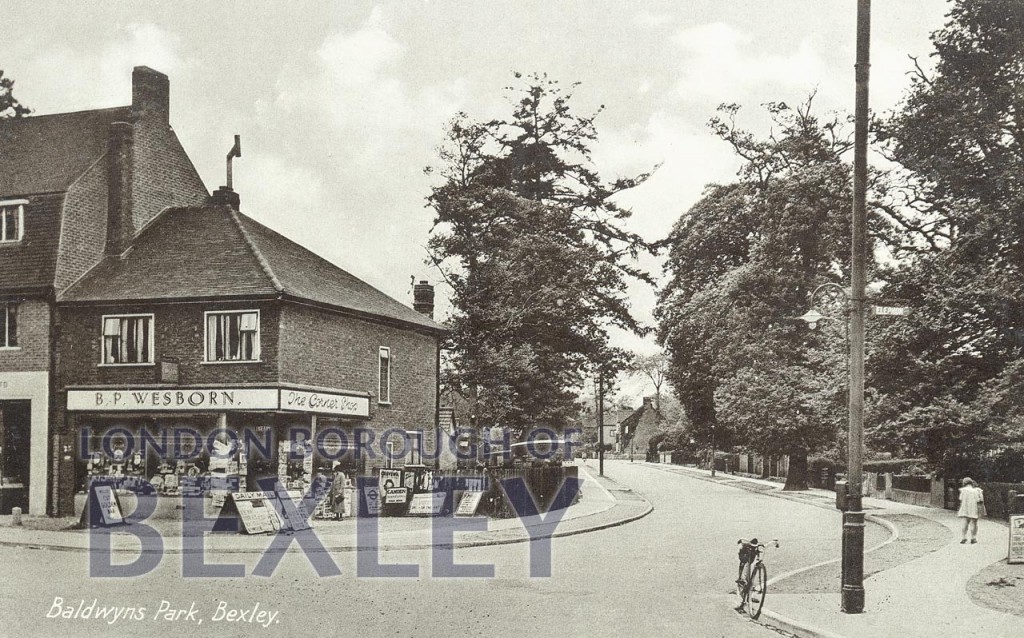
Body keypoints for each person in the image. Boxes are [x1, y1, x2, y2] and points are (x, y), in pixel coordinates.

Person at [957, 477, 985, 544]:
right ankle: (973, 538)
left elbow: (960, 498)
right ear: (971, 483)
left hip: (965, 508)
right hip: (973, 508)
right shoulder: (976, 491)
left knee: (964, 523)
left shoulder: (963, 490)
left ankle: (963, 537)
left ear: (964, 483)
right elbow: (979, 500)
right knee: (973, 523)